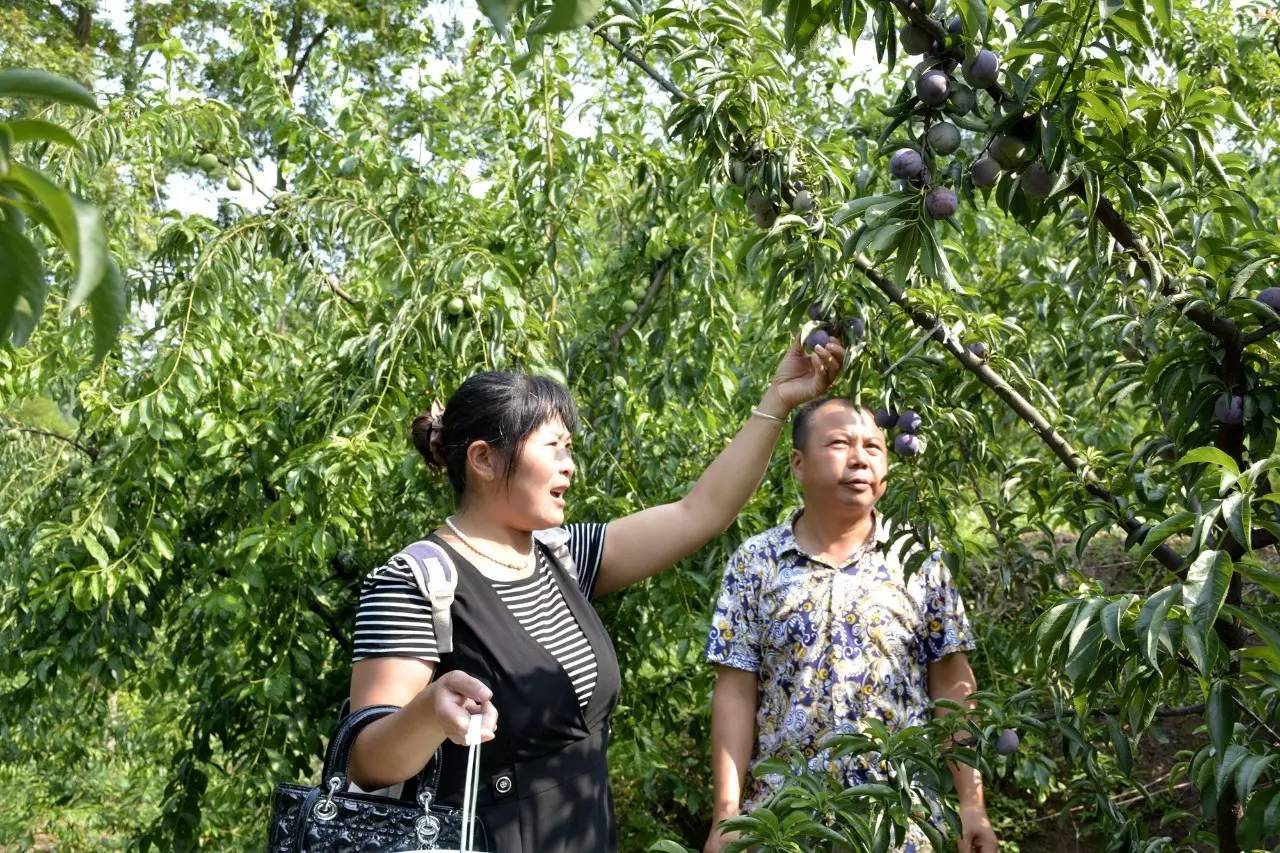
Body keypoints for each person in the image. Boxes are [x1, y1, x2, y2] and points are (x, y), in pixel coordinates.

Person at [346, 334, 845, 852]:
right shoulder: (416, 582)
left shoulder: (563, 556)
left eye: (570, 449)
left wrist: (779, 399)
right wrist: (429, 712)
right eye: (553, 448)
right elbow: (369, 761)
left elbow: (701, 512)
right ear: (484, 459)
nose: (569, 466)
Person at [703, 398, 998, 853]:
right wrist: (727, 811)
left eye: (874, 447)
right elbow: (736, 691)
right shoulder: (756, 564)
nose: (859, 458)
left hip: (905, 825)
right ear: (798, 464)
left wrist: (972, 805)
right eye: (839, 444)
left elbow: (952, 684)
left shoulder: (918, 560)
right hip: (786, 826)